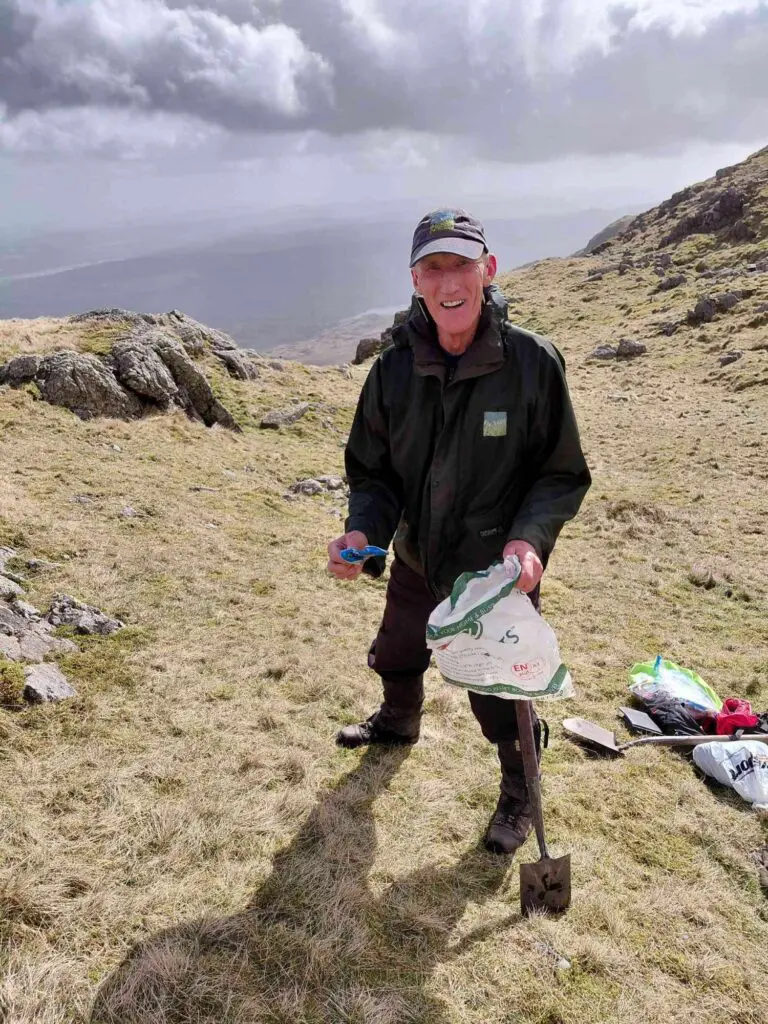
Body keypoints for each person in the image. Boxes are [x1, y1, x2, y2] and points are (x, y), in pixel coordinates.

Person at [326, 209, 591, 854]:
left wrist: (530, 538)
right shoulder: (392, 371)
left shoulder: (530, 362)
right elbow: (373, 472)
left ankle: (521, 790)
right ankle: (399, 720)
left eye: (461, 265)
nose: (449, 281)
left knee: (503, 692)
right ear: (415, 280)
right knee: (396, 649)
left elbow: (560, 474)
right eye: (433, 267)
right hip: (419, 554)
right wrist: (363, 532)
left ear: (488, 270)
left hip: (495, 571)